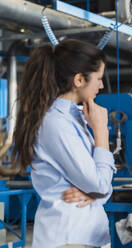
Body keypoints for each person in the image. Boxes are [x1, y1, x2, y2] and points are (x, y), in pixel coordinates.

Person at [11, 39, 116, 248]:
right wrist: (101, 131)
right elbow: (100, 184)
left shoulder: (74, 117)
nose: (101, 85)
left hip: (83, 236)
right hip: (68, 237)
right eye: (98, 79)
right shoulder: (56, 123)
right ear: (78, 80)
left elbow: (100, 188)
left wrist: (96, 193)